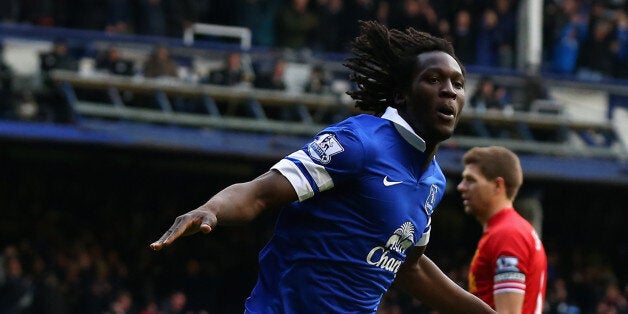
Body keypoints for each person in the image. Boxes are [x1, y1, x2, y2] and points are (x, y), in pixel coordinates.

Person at [150, 20, 494, 313]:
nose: (448, 91)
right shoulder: (360, 142)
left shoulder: (433, 181)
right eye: (433, 80)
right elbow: (259, 194)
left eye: (457, 84)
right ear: (402, 95)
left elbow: (410, 266)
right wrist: (212, 209)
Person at [457, 146, 548, 313]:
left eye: (471, 180)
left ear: (498, 185)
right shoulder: (511, 229)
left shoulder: (508, 234)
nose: (461, 187)